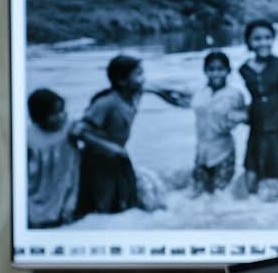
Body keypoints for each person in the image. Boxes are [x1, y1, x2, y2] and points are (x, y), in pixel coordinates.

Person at [75, 54, 186, 215]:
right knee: (103, 205)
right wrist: (112, 148)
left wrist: (176, 97)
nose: (143, 78)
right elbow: (78, 130)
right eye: (138, 75)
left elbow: (155, 89)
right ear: (121, 81)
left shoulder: (135, 93)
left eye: (142, 73)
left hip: (119, 156)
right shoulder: (107, 103)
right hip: (99, 159)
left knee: (127, 200)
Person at [239, 20, 278, 199]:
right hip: (257, 127)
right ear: (248, 42)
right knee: (252, 173)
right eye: (257, 38)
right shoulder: (244, 69)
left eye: (267, 38)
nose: (263, 43)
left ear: (274, 40)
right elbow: (247, 98)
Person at [190, 51, 247, 194]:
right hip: (202, 151)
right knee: (198, 193)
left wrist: (238, 118)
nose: (216, 74)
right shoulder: (199, 93)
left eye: (220, 69)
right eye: (211, 69)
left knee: (221, 195)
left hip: (224, 151)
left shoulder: (234, 94)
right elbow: (178, 99)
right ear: (205, 71)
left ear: (228, 71)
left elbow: (247, 114)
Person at [26, 88, 81, 227]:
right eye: (54, 114)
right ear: (39, 117)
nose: (61, 116)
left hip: (64, 178)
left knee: (66, 203)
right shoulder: (29, 137)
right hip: (41, 183)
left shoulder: (70, 128)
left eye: (62, 111)